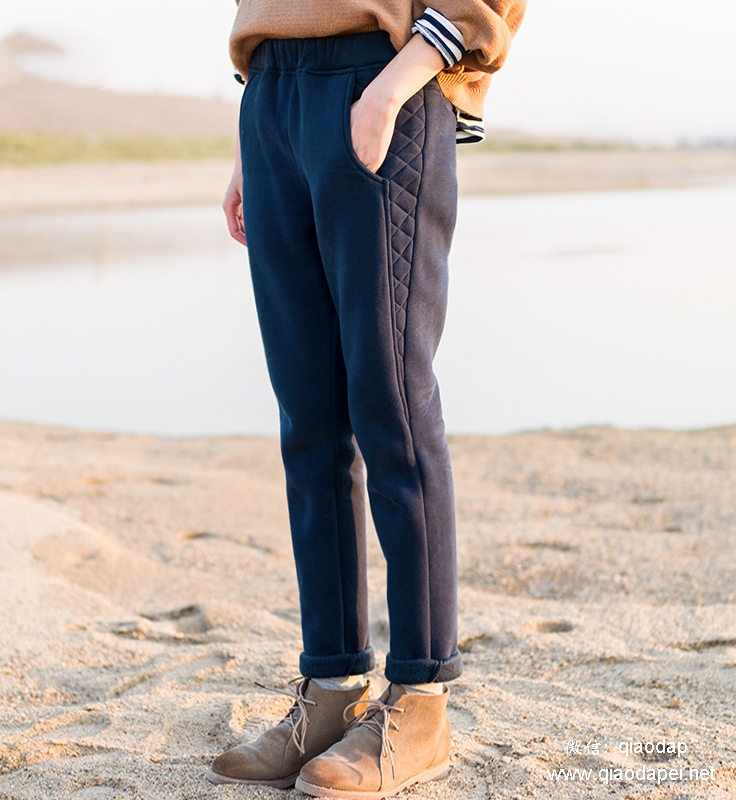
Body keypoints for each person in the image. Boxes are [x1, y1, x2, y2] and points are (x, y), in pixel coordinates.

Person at [208, 2, 526, 797]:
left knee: (393, 411)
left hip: (378, 78)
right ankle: (331, 689)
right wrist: (261, 116)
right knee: (307, 421)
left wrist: (397, 85)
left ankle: (421, 703)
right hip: (274, 94)